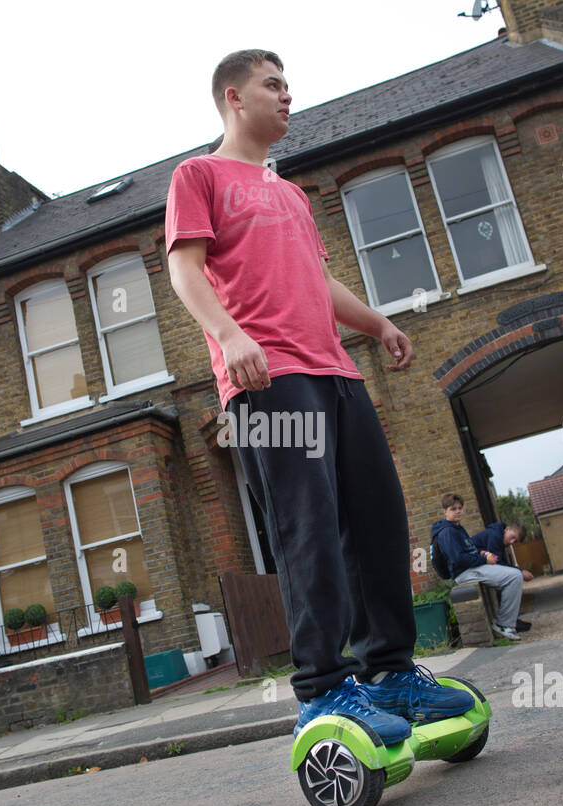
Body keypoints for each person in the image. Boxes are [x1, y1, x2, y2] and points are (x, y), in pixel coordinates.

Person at [166, 50, 472, 744]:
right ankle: (325, 690)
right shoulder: (200, 175)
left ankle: (390, 673)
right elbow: (184, 270)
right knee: (309, 531)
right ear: (233, 98)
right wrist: (228, 335)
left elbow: (317, 282)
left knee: (378, 524)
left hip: (336, 373)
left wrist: (378, 323)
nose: (287, 96)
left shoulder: (290, 191)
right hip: (267, 380)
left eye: (287, 84)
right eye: (272, 85)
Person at [431, 494, 528, 641]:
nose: (458, 511)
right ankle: (504, 624)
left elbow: (468, 550)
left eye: (460, 508)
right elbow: (458, 559)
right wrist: (483, 559)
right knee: (514, 576)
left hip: (472, 568)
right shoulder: (447, 532)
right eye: (453, 509)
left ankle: (505, 622)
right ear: (445, 511)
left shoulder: (457, 528)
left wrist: (481, 552)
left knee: (513, 575)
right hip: (464, 573)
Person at [472, 520, 535, 632]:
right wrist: (520, 572)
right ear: (507, 529)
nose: (512, 542)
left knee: (508, 579)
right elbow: (497, 562)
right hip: (472, 566)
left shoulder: (499, 537)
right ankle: (506, 621)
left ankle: (510, 620)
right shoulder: (495, 536)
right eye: (512, 537)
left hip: (480, 564)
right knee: (510, 579)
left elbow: (501, 562)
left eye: (515, 541)